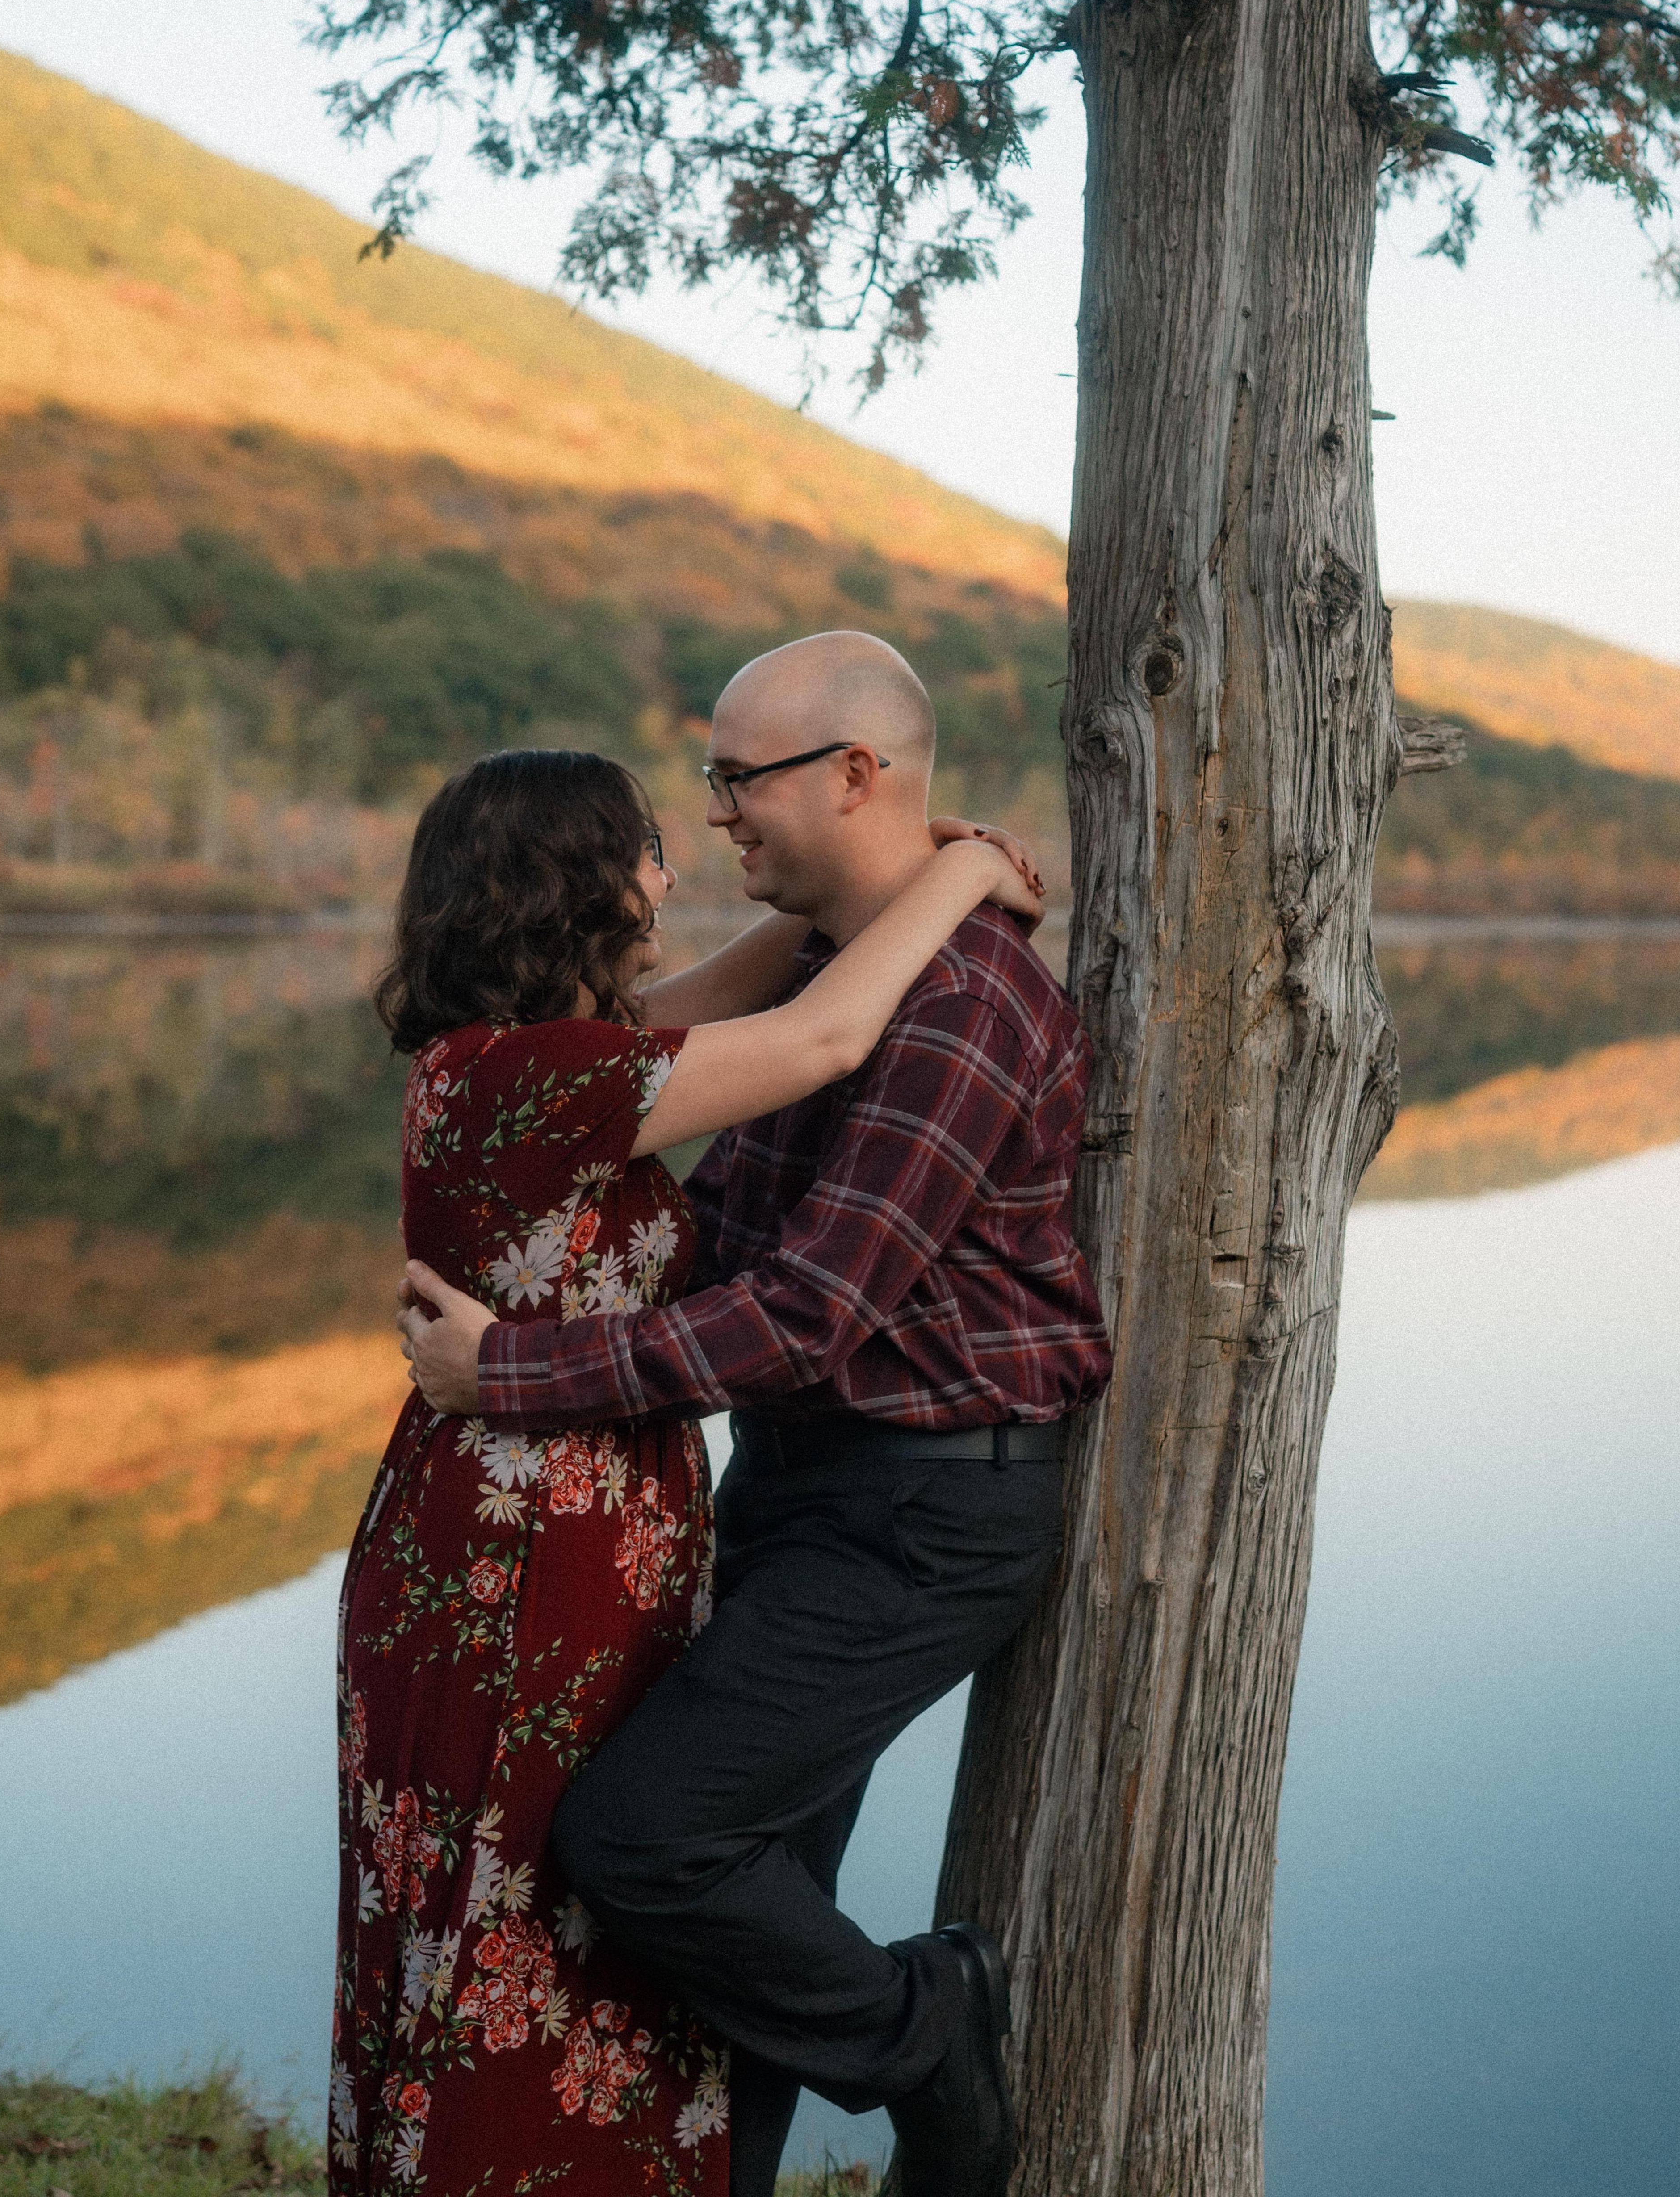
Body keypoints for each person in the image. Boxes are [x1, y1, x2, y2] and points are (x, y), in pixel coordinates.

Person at [400, 632, 1114, 2197]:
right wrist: (951, 867)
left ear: (854, 773)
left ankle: (929, 2034)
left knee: (647, 1839)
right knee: (745, 1906)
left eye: (736, 778)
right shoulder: (823, 979)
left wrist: (508, 1370)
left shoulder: (958, 1000)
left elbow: (803, 1312)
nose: (714, 814)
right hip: (794, 1488)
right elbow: (723, 1199)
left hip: (922, 1509)